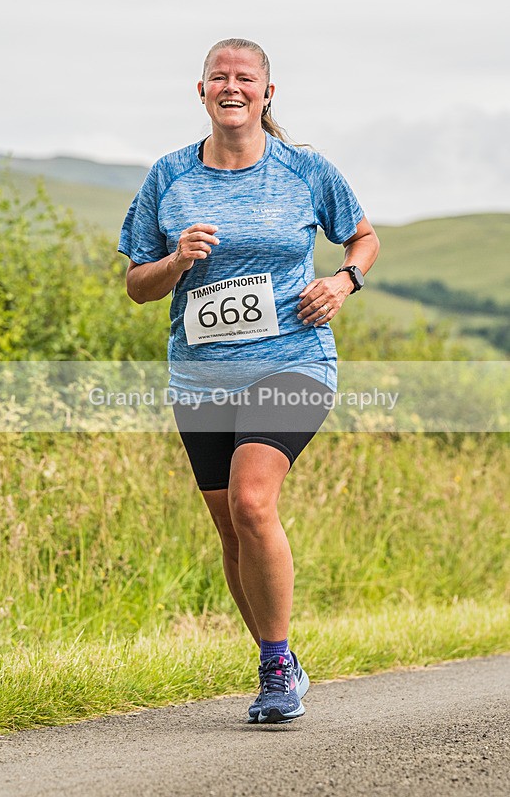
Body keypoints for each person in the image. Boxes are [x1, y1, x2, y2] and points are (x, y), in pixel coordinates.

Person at [118, 38, 379, 724]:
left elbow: (363, 238)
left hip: (292, 360)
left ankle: (272, 668)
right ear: (200, 90)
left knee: (253, 502)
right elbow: (137, 287)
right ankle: (280, 658)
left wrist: (342, 280)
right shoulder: (168, 177)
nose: (230, 87)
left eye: (245, 78)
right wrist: (176, 260)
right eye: (218, 77)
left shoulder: (304, 169)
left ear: (267, 93)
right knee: (231, 529)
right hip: (200, 377)